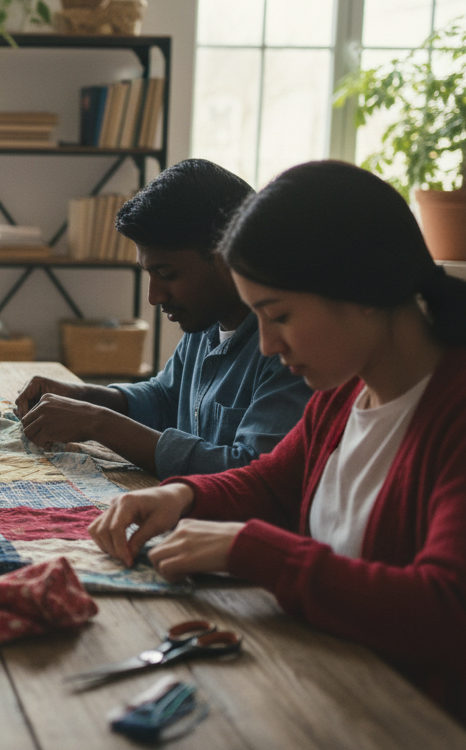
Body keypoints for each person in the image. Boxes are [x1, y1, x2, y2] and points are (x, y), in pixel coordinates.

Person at [89, 160, 466, 723]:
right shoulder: (344, 395)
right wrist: (183, 497)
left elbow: (445, 610)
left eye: (279, 315)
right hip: (324, 688)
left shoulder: (453, 416)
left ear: (362, 290)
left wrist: (255, 550)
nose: (265, 345)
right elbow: (271, 482)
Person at [14, 159, 311, 477]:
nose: (154, 297)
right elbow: (168, 398)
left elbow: (250, 474)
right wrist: (85, 396)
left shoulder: (291, 350)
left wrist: (97, 423)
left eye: (167, 274)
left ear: (227, 257)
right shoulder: (206, 321)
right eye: (149, 273)